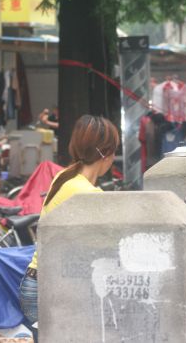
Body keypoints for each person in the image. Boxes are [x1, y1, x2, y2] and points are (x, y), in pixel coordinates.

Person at [19, 115, 119, 338]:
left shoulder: (65, 177)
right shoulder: (86, 193)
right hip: (48, 287)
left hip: (37, 282)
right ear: (107, 153)